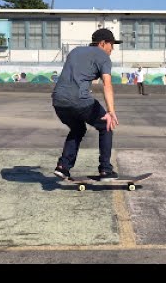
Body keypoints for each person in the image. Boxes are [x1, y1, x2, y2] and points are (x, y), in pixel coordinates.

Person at [51, 28, 122, 181]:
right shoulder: (103, 57)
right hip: (79, 100)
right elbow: (107, 84)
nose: (112, 49)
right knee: (106, 125)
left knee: (78, 128)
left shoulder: (75, 51)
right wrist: (111, 111)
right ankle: (105, 169)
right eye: (111, 45)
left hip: (58, 101)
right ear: (102, 43)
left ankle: (63, 166)